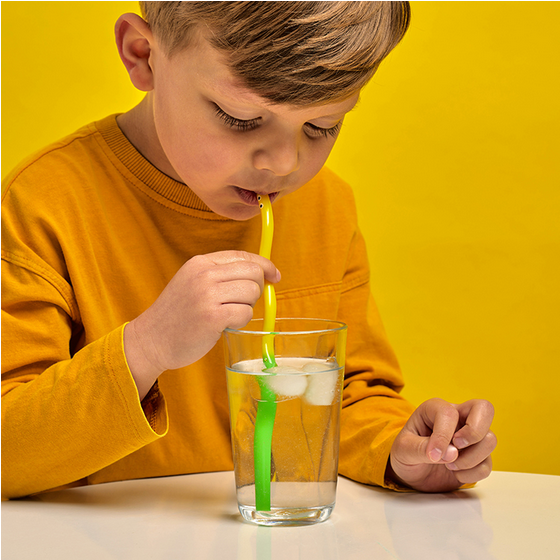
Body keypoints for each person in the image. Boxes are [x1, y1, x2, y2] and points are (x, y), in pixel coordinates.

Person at [1, 1, 496, 501]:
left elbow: (348, 400)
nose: (283, 164)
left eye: (323, 126)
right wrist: (146, 347)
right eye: (240, 118)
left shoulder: (326, 204)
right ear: (144, 54)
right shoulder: (43, 205)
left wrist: (402, 451)